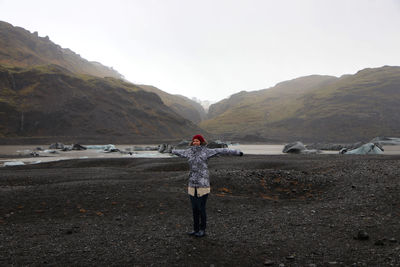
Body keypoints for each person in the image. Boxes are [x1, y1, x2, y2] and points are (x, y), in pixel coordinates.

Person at [171, 134, 243, 237]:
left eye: (197, 141)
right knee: (194, 208)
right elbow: (179, 152)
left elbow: (221, 151)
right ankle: (195, 229)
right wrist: (171, 151)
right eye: (194, 141)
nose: (195, 142)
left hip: (203, 184)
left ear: (201, 142)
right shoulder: (189, 152)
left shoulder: (206, 151)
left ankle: (202, 229)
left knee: (201, 208)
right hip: (192, 184)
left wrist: (237, 152)